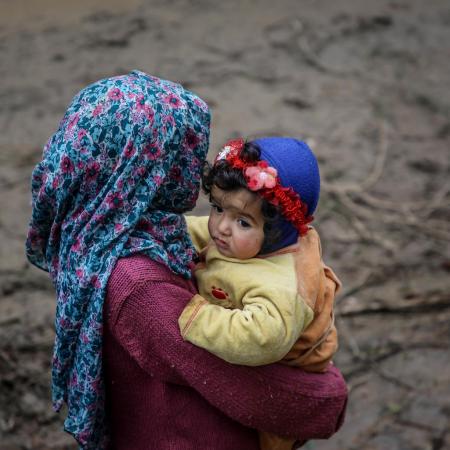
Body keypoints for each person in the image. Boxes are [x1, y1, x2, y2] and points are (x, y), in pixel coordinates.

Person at [25, 70, 347, 450]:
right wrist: (330, 397)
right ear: (151, 169)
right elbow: (244, 387)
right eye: (185, 152)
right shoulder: (140, 286)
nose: (193, 168)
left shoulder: (102, 233)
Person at [179, 137, 342, 450]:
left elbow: (259, 339)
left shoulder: (282, 286)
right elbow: (199, 231)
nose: (221, 227)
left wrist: (195, 316)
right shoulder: (241, 238)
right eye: (217, 207)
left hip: (280, 383)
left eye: (241, 221)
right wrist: (163, 230)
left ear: (278, 231)